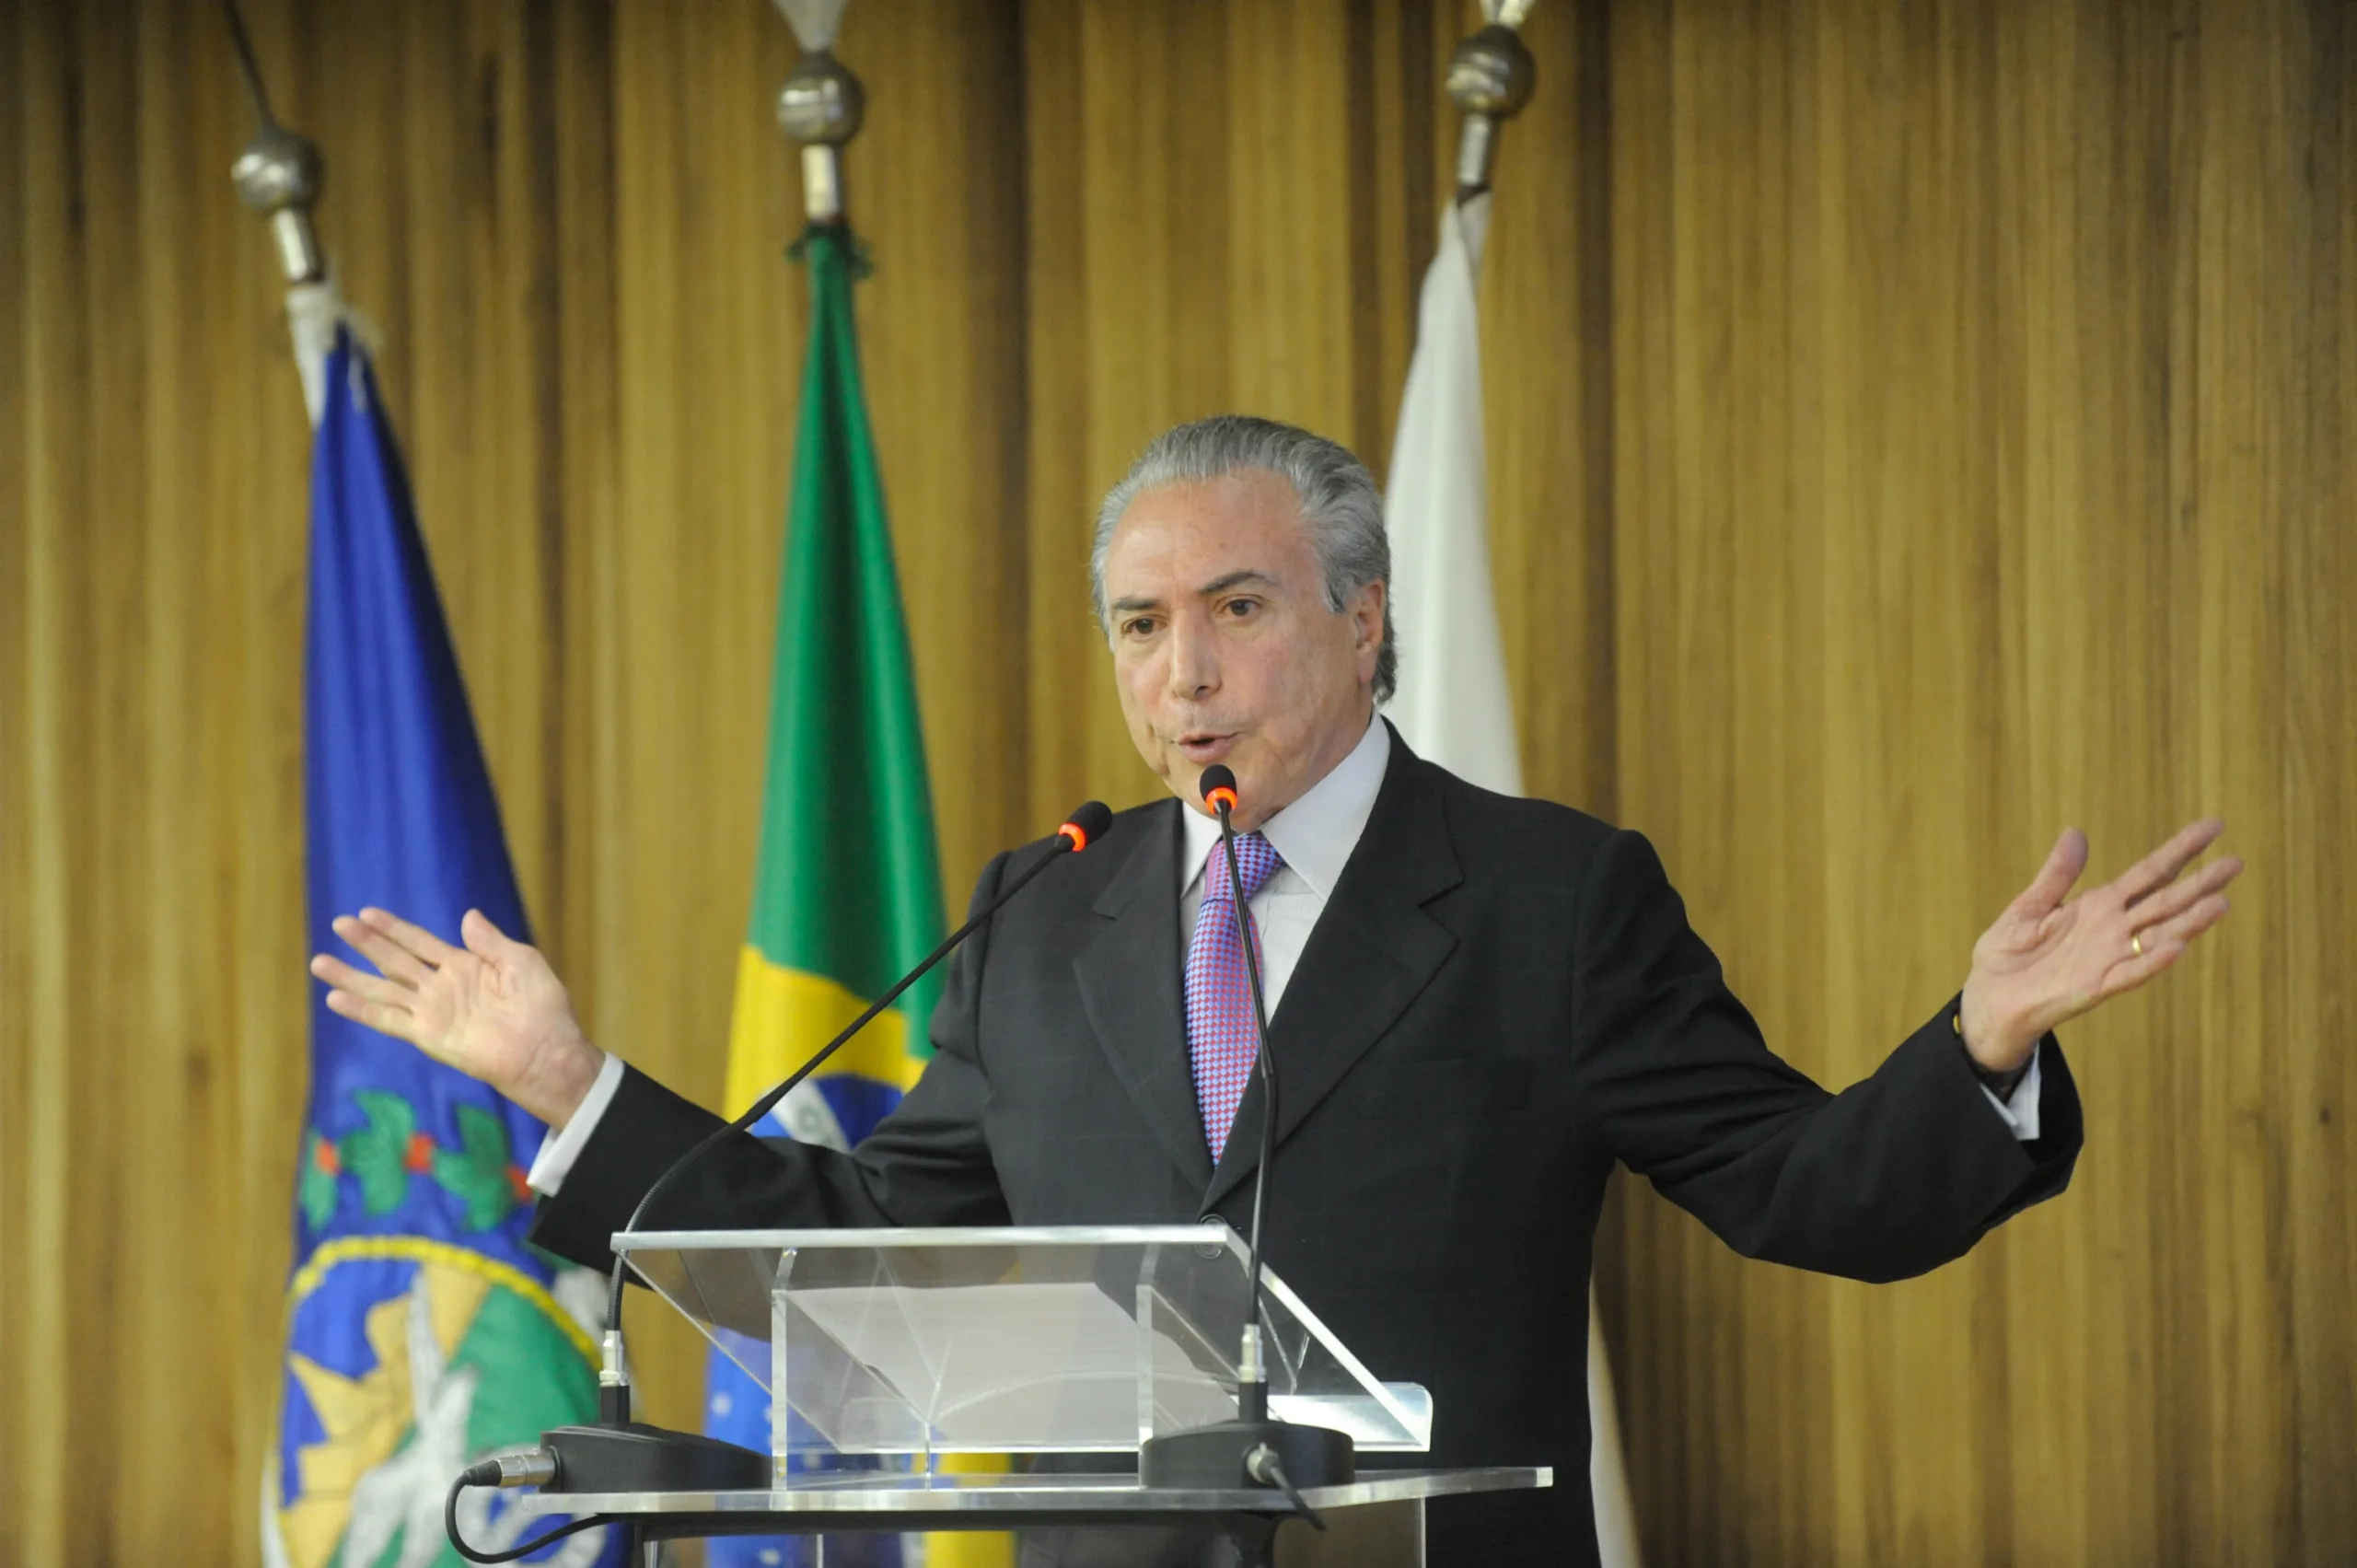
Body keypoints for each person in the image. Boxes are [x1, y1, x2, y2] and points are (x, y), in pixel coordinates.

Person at [312, 416, 2240, 1566]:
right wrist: (572, 1081)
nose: (1180, 676)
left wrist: (1980, 1038)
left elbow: (1804, 1186)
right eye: (1140, 627)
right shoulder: (1039, 910)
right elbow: (876, 1262)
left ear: (1358, 614)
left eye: (1234, 608)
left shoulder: (1547, 896)